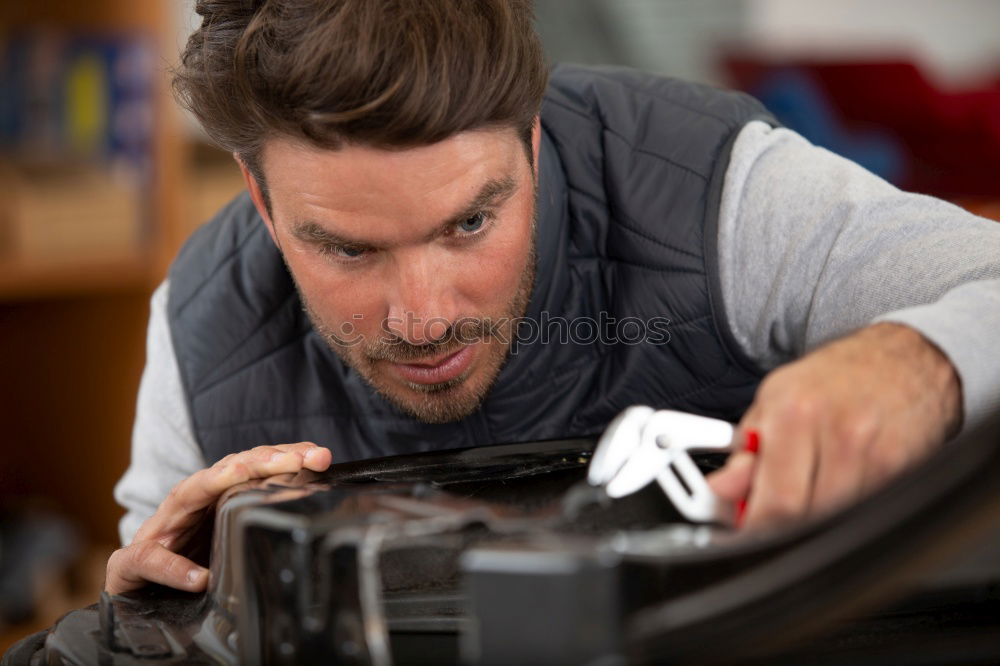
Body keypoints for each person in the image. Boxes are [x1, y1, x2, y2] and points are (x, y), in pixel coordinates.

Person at [106, 0, 1000, 595]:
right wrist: (145, 616)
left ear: (532, 144)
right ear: (260, 199)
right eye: (346, 248)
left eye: (469, 224)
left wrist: (918, 363)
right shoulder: (199, 334)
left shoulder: (721, 195)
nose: (423, 317)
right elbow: (154, 579)